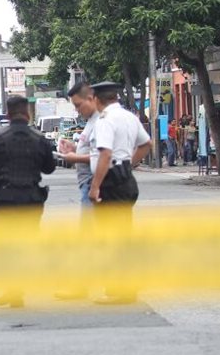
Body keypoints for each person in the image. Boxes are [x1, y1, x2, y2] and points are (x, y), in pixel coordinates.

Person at [0, 94, 57, 307]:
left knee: (1, 247)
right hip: (31, 200)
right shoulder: (40, 138)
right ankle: (19, 286)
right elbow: (49, 167)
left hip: (2, 201)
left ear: (8, 114)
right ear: (28, 113)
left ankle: (11, 288)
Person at [87, 82, 154, 304]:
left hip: (111, 182)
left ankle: (119, 290)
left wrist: (95, 185)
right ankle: (126, 288)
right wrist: (129, 164)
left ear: (97, 99)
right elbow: (146, 144)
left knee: (111, 240)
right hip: (126, 179)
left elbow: (105, 154)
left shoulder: (105, 120)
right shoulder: (129, 117)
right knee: (123, 237)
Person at [57, 81, 100, 206]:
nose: (77, 110)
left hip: (93, 183)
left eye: (78, 105)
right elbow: (93, 150)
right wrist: (74, 148)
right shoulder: (91, 120)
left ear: (90, 99)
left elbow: (103, 155)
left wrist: (75, 158)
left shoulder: (101, 121)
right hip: (86, 183)